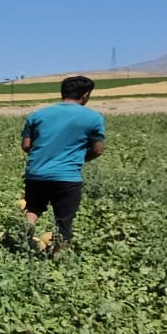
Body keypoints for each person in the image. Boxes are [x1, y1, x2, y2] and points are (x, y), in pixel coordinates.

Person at [20, 75, 107, 246]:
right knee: (63, 221)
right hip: (67, 177)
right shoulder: (94, 118)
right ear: (86, 95)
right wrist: (77, 159)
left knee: (33, 209)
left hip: (36, 173)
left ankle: (23, 237)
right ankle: (58, 257)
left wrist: (44, 155)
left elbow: (26, 145)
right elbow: (98, 150)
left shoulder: (37, 115)